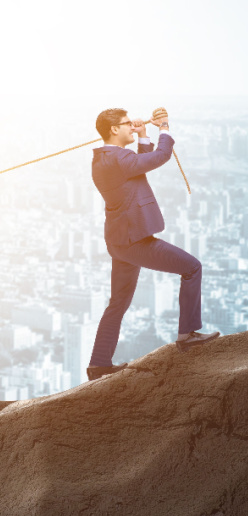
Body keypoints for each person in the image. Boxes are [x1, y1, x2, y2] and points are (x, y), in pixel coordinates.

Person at [86, 107, 218, 381]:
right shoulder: (120, 158)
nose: (131, 127)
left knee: (118, 302)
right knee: (192, 267)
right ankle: (188, 334)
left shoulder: (103, 159)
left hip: (120, 240)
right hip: (135, 240)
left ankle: (98, 364)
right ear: (114, 129)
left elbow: (140, 165)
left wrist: (144, 134)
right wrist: (164, 128)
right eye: (127, 124)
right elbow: (160, 157)